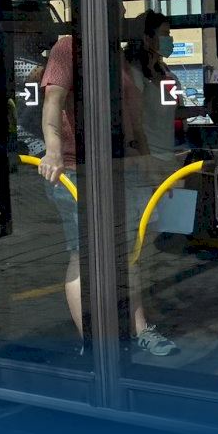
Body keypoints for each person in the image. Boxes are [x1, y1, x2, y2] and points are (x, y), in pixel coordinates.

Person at [39, 33, 180, 356]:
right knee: (82, 253)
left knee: (130, 251)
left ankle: (140, 329)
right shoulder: (68, 47)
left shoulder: (115, 54)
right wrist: (53, 151)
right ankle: (91, 343)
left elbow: (134, 120)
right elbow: (53, 101)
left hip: (122, 167)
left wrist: (147, 162)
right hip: (75, 171)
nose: (121, 13)